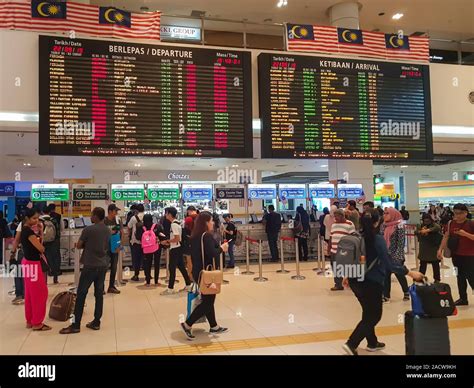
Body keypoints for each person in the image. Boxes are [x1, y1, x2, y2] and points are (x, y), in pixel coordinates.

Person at [342, 209, 424, 355]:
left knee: (368, 312)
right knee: (374, 315)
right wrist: (410, 273)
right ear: (377, 221)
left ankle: (372, 342)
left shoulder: (356, 235)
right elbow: (389, 264)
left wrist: (347, 275)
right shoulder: (376, 238)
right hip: (371, 282)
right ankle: (351, 343)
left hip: (355, 281)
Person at [60, 207, 111, 334]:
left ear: (96, 216)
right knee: (99, 294)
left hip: (90, 266)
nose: (91, 217)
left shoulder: (88, 229)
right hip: (102, 266)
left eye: (92, 215)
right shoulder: (107, 230)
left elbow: (78, 245)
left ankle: (76, 325)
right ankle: (96, 322)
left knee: (81, 294)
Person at [180, 211, 229, 340]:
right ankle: (187, 324)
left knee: (208, 299)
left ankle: (214, 325)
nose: (213, 223)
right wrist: (222, 248)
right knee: (208, 301)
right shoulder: (206, 236)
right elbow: (213, 253)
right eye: (211, 221)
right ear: (206, 222)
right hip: (207, 273)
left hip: (199, 272)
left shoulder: (195, 236)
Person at [20, 208, 51, 331]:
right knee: (40, 293)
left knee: (30, 294)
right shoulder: (29, 232)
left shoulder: (24, 230)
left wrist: (41, 232)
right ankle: (37, 322)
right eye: (34, 218)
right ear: (27, 219)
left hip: (27, 263)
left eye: (38, 218)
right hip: (33, 265)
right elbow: (41, 248)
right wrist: (40, 235)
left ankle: (30, 320)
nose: (36, 220)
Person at [437, 203, 474, 306]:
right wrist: (440, 249)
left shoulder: (471, 224)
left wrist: (465, 234)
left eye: (460, 213)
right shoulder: (450, 224)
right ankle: (463, 299)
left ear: (466, 213)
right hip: (456, 255)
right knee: (460, 277)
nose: (457, 216)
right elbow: (446, 237)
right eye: (455, 213)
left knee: (471, 277)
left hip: (470, 256)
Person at [161, 207, 192, 295]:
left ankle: (170, 289)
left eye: (166, 213)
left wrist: (167, 241)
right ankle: (188, 285)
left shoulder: (173, 225)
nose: (165, 215)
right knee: (182, 267)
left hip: (175, 249)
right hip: (178, 248)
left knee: (172, 268)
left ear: (170, 214)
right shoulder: (178, 223)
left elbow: (177, 238)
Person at [381, 207, 410, 303]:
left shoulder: (400, 226)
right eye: (384, 213)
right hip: (385, 255)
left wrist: (396, 257)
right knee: (386, 275)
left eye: (387, 213)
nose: (384, 215)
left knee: (399, 274)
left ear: (393, 214)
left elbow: (401, 243)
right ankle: (386, 296)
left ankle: (406, 292)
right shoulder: (384, 226)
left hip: (396, 255)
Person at [329, 209, 355, 291]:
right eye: (334, 216)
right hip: (334, 250)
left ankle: (350, 283)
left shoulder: (349, 224)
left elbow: (353, 237)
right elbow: (331, 236)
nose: (335, 218)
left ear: (342, 216)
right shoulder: (333, 225)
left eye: (336, 216)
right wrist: (329, 248)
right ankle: (338, 284)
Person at [136, 213, 164, 287]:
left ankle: (148, 282)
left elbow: (138, 237)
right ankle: (156, 281)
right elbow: (162, 235)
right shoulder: (157, 226)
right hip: (157, 247)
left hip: (146, 248)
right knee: (157, 263)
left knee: (147, 264)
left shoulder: (141, 227)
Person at [415, 214, 442, 283]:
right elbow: (416, 232)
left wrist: (428, 230)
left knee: (435, 265)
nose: (426, 221)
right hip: (424, 248)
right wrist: (421, 231)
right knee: (423, 265)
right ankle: (420, 278)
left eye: (428, 219)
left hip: (433, 247)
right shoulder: (420, 225)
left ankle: (437, 279)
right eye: (425, 219)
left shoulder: (434, 225)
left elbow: (438, 228)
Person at [40, 206, 61, 284]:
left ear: (42, 212)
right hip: (53, 242)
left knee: (44, 260)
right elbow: (59, 230)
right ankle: (55, 278)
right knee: (54, 259)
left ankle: (44, 280)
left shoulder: (39, 220)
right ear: (49, 212)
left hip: (43, 243)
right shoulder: (54, 220)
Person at [104, 204, 122, 294]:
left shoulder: (118, 220)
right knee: (103, 267)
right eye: (115, 211)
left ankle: (111, 286)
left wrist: (119, 245)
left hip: (115, 247)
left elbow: (121, 233)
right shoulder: (104, 221)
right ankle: (100, 287)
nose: (116, 213)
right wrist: (109, 232)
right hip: (105, 248)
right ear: (110, 211)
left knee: (114, 267)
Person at [127, 203, 145, 282]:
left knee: (136, 258)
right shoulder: (147, 217)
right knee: (145, 258)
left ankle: (136, 275)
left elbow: (129, 226)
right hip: (146, 242)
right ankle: (147, 275)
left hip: (135, 241)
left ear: (136, 210)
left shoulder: (134, 218)